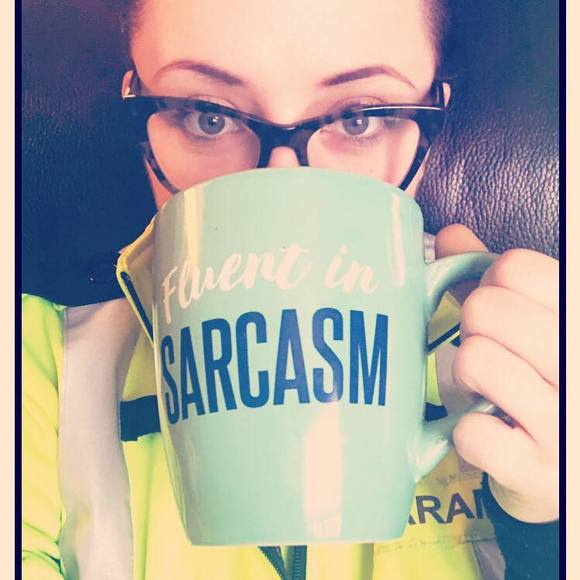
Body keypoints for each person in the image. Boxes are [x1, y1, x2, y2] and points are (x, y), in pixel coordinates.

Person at [22, 0, 559, 578]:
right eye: (207, 116)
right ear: (139, 105)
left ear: (433, 114)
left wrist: (548, 531)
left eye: (359, 118)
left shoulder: (533, 355)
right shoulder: (35, 357)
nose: (282, 181)